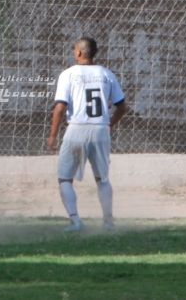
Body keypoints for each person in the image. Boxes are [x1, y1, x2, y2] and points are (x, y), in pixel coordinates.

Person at [47, 37, 128, 232]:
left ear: (79, 53)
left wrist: (53, 135)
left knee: (65, 179)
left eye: (74, 49)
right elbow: (123, 107)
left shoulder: (68, 74)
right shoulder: (106, 74)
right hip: (101, 130)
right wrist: (109, 125)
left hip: (77, 129)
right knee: (102, 179)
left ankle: (75, 221)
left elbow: (60, 108)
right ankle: (108, 222)